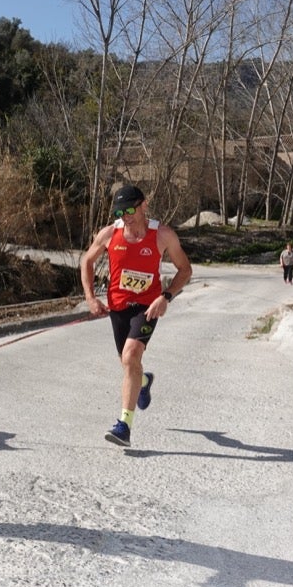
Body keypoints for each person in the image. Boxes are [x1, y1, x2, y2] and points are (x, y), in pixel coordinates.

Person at [79, 185, 193, 446]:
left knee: (131, 356)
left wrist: (165, 297)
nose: (126, 216)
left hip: (147, 306)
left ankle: (123, 426)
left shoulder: (162, 235)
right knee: (128, 364)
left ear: (144, 206)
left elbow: (185, 270)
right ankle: (143, 381)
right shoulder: (110, 234)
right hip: (118, 307)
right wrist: (89, 297)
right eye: (121, 211)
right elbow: (87, 261)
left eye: (131, 209)